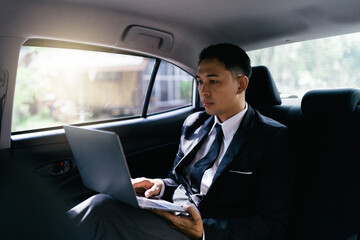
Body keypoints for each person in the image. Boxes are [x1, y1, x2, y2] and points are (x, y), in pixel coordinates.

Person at [68, 43, 292, 240]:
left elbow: (273, 225)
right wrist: (160, 186)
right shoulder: (194, 123)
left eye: (213, 81)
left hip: (207, 232)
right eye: (199, 81)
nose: (203, 91)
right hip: (173, 214)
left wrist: (203, 230)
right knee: (105, 201)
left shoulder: (272, 138)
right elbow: (180, 180)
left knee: (101, 212)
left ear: (241, 85)